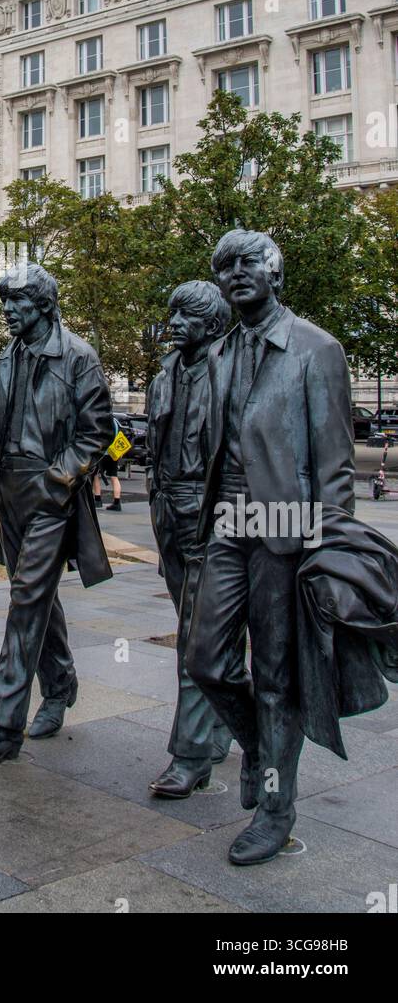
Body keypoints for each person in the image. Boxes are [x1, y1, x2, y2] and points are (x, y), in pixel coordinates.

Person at [187, 230, 356, 865]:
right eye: (223, 266)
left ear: (274, 271)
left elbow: (336, 466)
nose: (233, 274)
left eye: (246, 263)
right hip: (229, 522)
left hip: (288, 531)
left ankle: (276, 811)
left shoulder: (317, 350)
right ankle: (258, 749)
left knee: (278, 679)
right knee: (205, 659)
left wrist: (330, 551)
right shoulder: (222, 350)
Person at [0, 264, 113, 764]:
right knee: (35, 596)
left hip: (52, 493)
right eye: (5, 302)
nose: (8, 311)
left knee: (27, 598)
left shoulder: (79, 358)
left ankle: (4, 725)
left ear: (45, 305)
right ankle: (61, 683)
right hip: (11, 493)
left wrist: (59, 479)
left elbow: (97, 433)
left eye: (18, 303)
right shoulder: (8, 354)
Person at [145, 279, 243, 800]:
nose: (173, 325)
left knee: (195, 638)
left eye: (183, 317)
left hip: (211, 515)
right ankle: (226, 722)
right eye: (172, 315)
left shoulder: (231, 371)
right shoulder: (165, 374)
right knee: (201, 629)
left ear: (209, 324)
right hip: (169, 510)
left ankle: (190, 756)